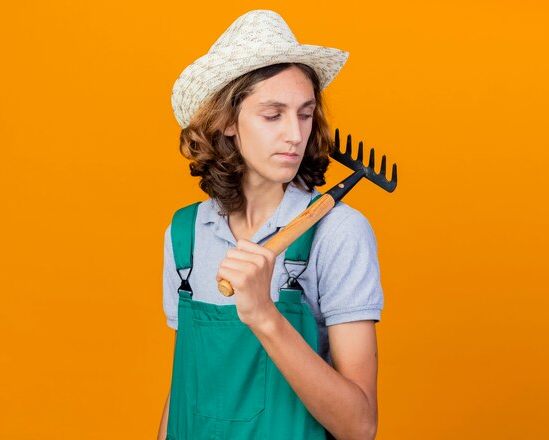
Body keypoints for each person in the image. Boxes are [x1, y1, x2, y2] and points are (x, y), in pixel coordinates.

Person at [158, 10, 384, 440]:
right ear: (227, 121)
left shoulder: (338, 233)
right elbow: (184, 387)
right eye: (272, 114)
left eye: (304, 113)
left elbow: (360, 427)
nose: (296, 135)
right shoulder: (185, 236)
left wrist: (264, 314)